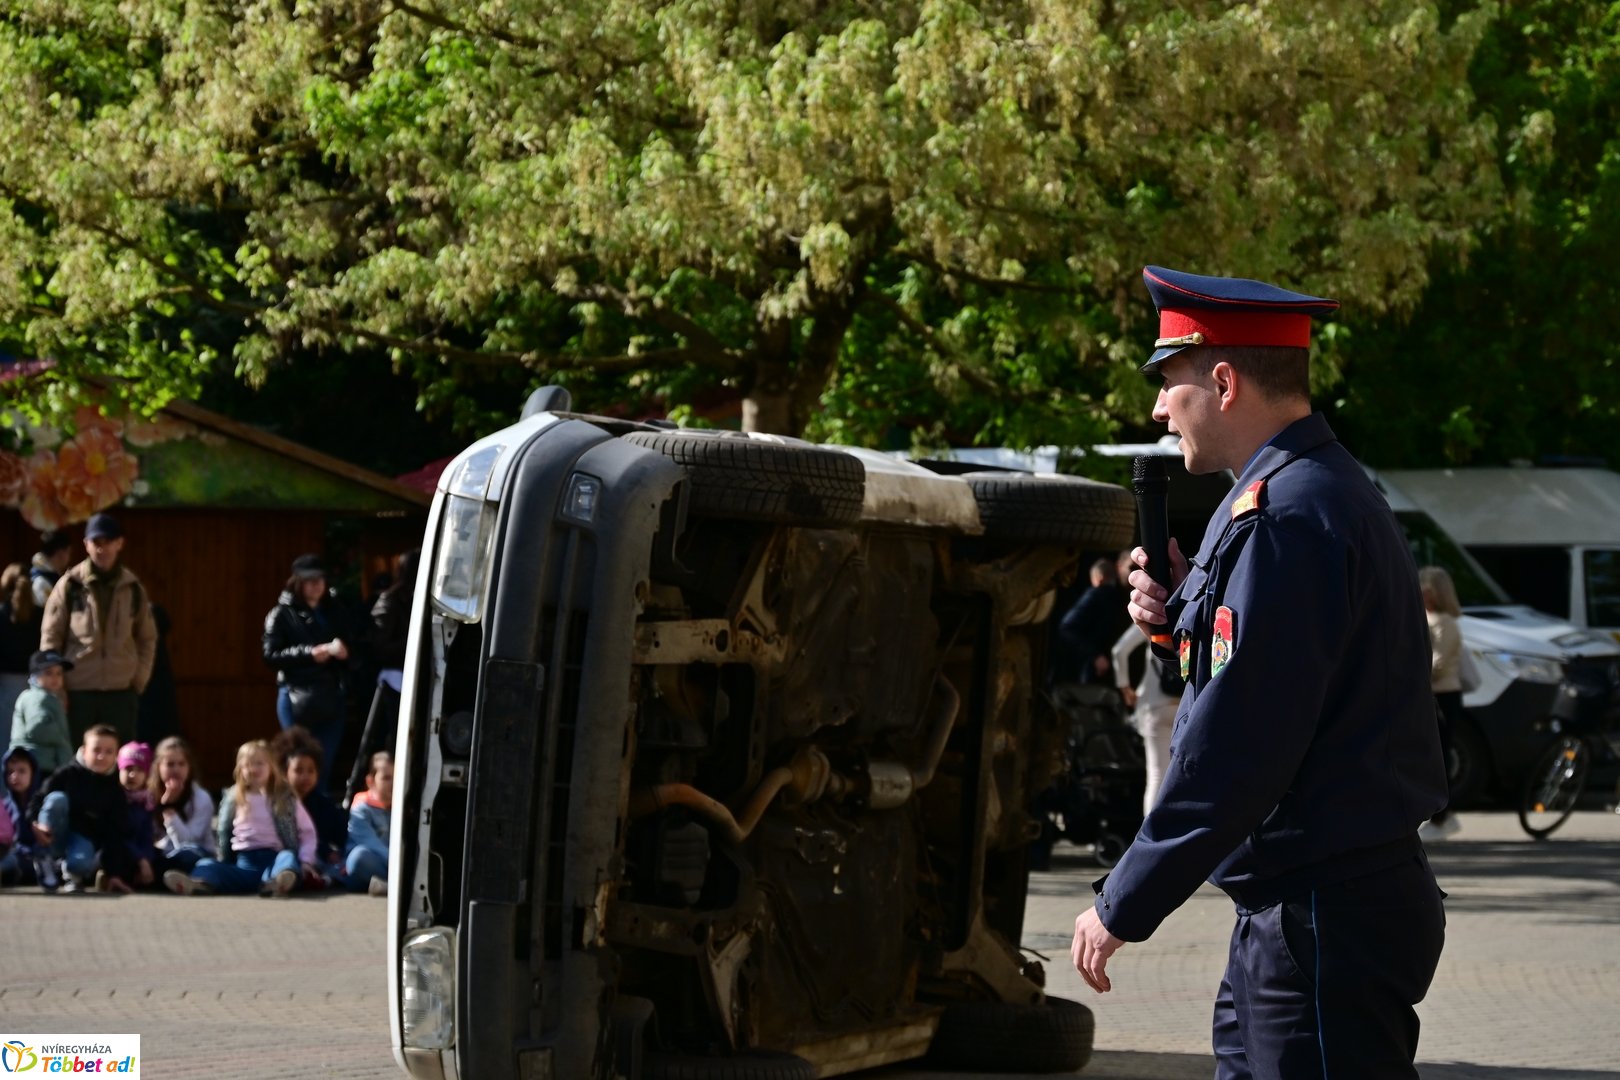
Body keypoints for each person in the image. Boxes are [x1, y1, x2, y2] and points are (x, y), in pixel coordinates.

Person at [1070, 266, 1448, 1079]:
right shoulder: (1292, 498)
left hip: (1322, 914)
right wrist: (1177, 630)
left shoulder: (1284, 517)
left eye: (1168, 381)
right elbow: (1277, 680)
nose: (1158, 408)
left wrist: (1122, 902)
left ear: (1225, 380)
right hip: (1305, 908)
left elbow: (1243, 743)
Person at [40, 512, 158, 745]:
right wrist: (58, 686)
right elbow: (50, 638)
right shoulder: (70, 585)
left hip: (120, 692)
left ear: (119, 543)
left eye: (108, 542)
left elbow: (148, 638)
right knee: (76, 758)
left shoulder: (133, 587)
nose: (102, 549)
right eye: (96, 542)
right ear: (86, 545)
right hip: (78, 691)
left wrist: (138, 680)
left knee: (119, 763)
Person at [164, 739, 316, 897]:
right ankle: (199, 883)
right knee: (207, 864)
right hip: (242, 864)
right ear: (240, 769)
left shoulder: (284, 798)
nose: (253, 768)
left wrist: (306, 861)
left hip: (272, 861)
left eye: (259, 763)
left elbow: (307, 832)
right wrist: (224, 858)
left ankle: (280, 883)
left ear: (271, 766)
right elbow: (224, 831)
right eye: (247, 764)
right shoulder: (233, 798)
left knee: (288, 857)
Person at [263, 554, 360, 793]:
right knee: (296, 763)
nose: (316, 585)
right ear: (298, 583)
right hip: (296, 696)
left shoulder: (336, 610)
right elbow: (270, 655)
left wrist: (346, 652)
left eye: (320, 579)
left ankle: (318, 821)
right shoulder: (281, 614)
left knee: (323, 766)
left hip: (330, 697)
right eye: (309, 580)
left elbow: (357, 647)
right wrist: (309, 653)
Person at [344, 548, 417, 804]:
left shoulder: (418, 601)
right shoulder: (390, 600)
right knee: (386, 741)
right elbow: (379, 647)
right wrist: (415, 645)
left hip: (416, 680)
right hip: (392, 681)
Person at [28, 724, 139, 893]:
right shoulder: (66, 774)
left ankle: (72, 876)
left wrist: (115, 874)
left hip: (83, 838)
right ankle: (45, 858)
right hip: (53, 832)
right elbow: (38, 798)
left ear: (116, 755)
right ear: (84, 750)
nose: (102, 756)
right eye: (96, 750)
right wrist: (34, 822)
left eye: (109, 751)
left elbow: (115, 833)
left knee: (80, 863)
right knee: (56, 799)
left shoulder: (115, 791)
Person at [1110, 624, 1182, 815]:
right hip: (1186, 707)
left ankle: (1151, 837)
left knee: (1157, 776)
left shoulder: (1155, 617)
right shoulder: (1194, 613)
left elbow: (1119, 651)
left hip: (1155, 706)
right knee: (1183, 776)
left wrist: (1124, 686)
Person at [1419, 566, 1465, 841]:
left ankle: (1442, 816)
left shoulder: (1445, 622)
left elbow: (1439, 662)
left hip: (1443, 694)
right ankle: (1440, 815)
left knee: (1441, 755)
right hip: (1434, 693)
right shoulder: (1429, 618)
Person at [272, 726, 348, 886]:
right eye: (298, 770)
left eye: (311, 771)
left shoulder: (323, 804)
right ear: (285, 772)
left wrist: (337, 853)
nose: (305, 776)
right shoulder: (277, 803)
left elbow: (341, 835)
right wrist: (325, 851)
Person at [1056, 552, 1134, 686]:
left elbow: (1066, 627)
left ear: (1098, 578)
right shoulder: (1124, 598)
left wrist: (1094, 655)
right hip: (1115, 676)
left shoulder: (1096, 595)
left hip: (1093, 676)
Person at [149, 735, 217, 876]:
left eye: (181, 764)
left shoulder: (201, 798)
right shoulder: (149, 795)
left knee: (188, 857)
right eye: (170, 764)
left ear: (189, 767)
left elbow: (187, 842)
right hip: (164, 853)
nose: (176, 770)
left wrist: (168, 809)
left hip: (196, 852)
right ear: (158, 767)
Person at [0, 562, 45, 757]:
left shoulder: (2, 614)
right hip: (36, 683)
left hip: (6, 685)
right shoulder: (39, 615)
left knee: (5, 741)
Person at [10, 650, 75, 775]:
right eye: (48, 673)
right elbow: (37, 728)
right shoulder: (38, 698)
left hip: (38, 762)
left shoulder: (47, 697)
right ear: (35, 676)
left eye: (59, 673)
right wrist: (61, 739)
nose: (55, 678)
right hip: (38, 764)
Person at [111, 741, 157, 893]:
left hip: (138, 854)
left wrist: (147, 859)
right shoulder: (114, 798)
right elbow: (118, 836)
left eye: (139, 770)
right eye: (128, 769)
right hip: (116, 851)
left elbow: (147, 835)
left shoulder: (146, 801)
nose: (132, 775)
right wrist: (141, 860)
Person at [344, 751, 393, 895]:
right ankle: (398, 886)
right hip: (376, 862)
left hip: (389, 866)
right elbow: (373, 845)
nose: (393, 783)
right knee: (359, 857)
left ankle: (389, 885)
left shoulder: (402, 806)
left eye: (396, 778)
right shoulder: (361, 808)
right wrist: (401, 867)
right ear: (370, 781)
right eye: (386, 778)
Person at [1, 746, 44, 885]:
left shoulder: (44, 802)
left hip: (43, 858)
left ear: (33, 773)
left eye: (21, 771)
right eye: (10, 772)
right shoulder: (5, 806)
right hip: (16, 858)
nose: (14, 776)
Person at [29, 529, 74, 608]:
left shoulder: (49, 577)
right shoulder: (41, 583)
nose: (69, 558)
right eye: (69, 552)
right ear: (60, 553)